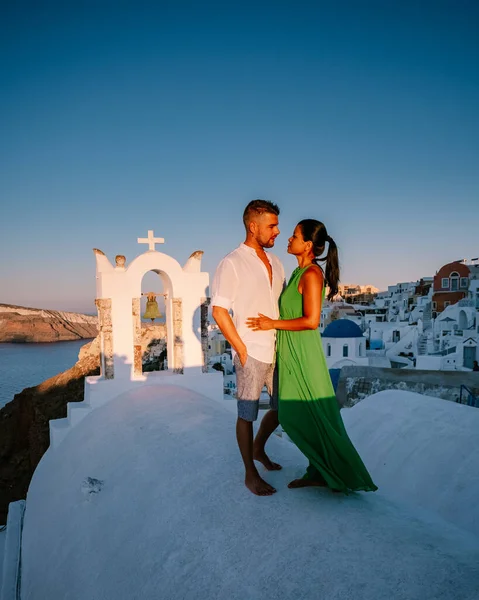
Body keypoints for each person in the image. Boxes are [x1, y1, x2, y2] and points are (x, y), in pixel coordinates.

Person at [247, 219, 377, 493]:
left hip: (303, 351)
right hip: (290, 348)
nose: (288, 239)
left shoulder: (312, 275)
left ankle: (336, 470)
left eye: (294, 236)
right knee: (295, 411)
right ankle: (317, 471)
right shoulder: (298, 273)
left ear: (307, 245)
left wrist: (272, 323)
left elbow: (310, 320)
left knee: (298, 414)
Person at [211, 200, 285, 496]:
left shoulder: (277, 263)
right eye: (272, 225)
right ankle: (250, 473)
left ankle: (258, 449)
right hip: (251, 350)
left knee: (282, 409)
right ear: (253, 226)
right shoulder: (232, 262)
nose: (277, 231)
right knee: (247, 413)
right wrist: (241, 348)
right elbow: (219, 311)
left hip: (278, 349)